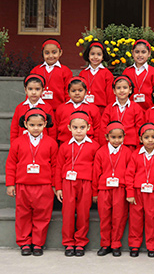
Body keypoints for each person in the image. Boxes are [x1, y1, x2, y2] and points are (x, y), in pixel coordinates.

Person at [5, 108, 58, 256]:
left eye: (39, 125)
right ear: (25, 124)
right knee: (23, 214)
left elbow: (55, 166)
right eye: (32, 125)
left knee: (42, 215)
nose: (36, 128)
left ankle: (38, 243)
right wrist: (10, 183)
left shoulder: (51, 143)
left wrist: (55, 185)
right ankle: (24, 243)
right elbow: (11, 164)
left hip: (44, 186)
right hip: (23, 185)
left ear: (45, 124)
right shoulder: (17, 142)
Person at [55, 110, 99, 257]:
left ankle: (80, 242)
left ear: (88, 128)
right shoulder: (64, 146)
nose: (78, 131)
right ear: (69, 128)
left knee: (83, 213)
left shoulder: (94, 146)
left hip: (86, 183)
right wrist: (58, 187)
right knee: (67, 213)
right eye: (75, 127)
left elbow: (96, 170)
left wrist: (94, 191)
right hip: (68, 183)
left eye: (82, 127)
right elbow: (59, 167)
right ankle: (68, 242)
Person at [126, 123, 154, 257]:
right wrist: (130, 193)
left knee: (152, 220)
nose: (150, 140)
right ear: (140, 139)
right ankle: (134, 245)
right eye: (146, 137)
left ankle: (152, 246)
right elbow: (129, 175)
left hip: (153, 193)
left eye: (153, 137)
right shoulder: (135, 155)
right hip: (137, 192)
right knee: (135, 219)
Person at [92, 121, 131, 257]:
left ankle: (115, 244)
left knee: (119, 217)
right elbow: (96, 173)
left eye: (120, 137)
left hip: (120, 189)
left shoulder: (127, 152)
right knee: (105, 217)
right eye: (113, 137)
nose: (116, 140)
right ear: (107, 137)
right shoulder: (101, 152)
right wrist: (95, 192)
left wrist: (129, 191)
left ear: (124, 137)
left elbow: (130, 173)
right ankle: (105, 244)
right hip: (104, 189)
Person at [100, 75, 145, 150]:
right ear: (114, 91)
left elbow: (139, 128)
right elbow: (103, 128)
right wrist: (104, 145)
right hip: (112, 144)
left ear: (130, 90)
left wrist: (138, 147)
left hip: (130, 145)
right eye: (118, 88)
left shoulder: (136, 107)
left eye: (125, 88)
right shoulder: (109, 108)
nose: (121, 90)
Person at [54, 77, 101, 144]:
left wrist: (95, 143)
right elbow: (56, 127)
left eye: (80, 90)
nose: (77, 93)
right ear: (68, 92)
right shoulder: (61, 108)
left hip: (88, 144)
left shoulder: (93, 108)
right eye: (73, 91)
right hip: (64, 143)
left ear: (86, 92)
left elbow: (97, 129)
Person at [30, 38, 73, 110]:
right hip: (38, 110)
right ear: (42, 54)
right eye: (47, 53)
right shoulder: (36, 70)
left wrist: (68, 108)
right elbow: (30, 90)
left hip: (59, 109)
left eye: (54, 52)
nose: (50, 56)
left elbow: (68, 92)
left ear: (60, 53)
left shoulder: (66, 71)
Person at [10, 74, 55, 143]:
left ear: (42, 90)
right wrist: (14, 144)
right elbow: (14, 128)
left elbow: (52, 129)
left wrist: (51, 143)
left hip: (43, 143)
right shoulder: (20, 107)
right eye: (30, 89)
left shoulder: (47, 107)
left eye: (37, 89)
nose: (33, 92)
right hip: (23, 143)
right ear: (25, 90)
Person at [122, 39, 154, 111]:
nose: (140, 55)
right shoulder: (127, 71)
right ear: (133, 53)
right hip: (129, 111)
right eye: (137, 52)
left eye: (143, 52)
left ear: (149, 54)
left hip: (150, 110)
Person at [78, 41, 114, 114]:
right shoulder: (83, 73)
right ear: (88, 55)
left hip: (101, 109)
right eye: (92, 54)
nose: (95, 57)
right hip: (84, 108)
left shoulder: (107, 74)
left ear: (103, 57)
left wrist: (109, 110)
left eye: (99, 54)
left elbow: (110, 95)